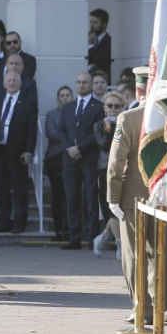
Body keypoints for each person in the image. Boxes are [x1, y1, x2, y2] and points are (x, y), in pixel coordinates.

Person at [106, 67, 166, 324]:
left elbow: (116, 163)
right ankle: (160, 305)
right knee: (159, 252)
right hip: (162, 193)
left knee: (133, 253)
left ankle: (141, 306)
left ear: (138, 89)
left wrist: (112, 195)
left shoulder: (127, 118)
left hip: (133, 196)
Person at [58, 71, 104, 250]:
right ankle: (74, 238)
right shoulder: (69, 107)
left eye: (85, 82)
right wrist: (70, 148)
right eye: (78, 82)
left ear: (91, 84)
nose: (81, 85)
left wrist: (80, 148)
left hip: (88, 158)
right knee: (71, 198)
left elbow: (97, 132)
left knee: (91, 198)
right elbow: (61, 131)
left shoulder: (98, 107)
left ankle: (92, 236)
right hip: (70, 159)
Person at [0, 71, 38, 234]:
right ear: (3, 83)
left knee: (19, 190)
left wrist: (29, 151)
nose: (11, 83)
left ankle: (19, 223)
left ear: (20, 83)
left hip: (17, 152)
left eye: (14, 81)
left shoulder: (28, 102)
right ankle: (4, 222)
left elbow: (32, 130)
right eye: (8, 80)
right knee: (0, 189)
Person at [92, 91, 123, 256]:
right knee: (110, 208)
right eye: (109, 106)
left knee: (119, 208)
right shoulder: (99, 125)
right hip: (105, 168)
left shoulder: (125, 122)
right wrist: (109, 129)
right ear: (104, 108)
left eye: (116, 106)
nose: (113, 109)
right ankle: (119, 245)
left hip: (123, 167)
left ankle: (103, 237)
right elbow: (104, 145)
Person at [45, 85, 73, 242]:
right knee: (57, 196)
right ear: (57, 98)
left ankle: (70, 230)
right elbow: (51, 133)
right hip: (55, 159)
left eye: (67, 95)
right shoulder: (51, 114)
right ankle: (58, 230)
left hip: (71, 158)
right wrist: (68, 139)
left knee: (71, 195)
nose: (65, 98)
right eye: (62, 95)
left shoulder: (75, 112)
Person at [88, 8, 111, 76]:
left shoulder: (108, 41)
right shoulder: (86, 38)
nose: (91, 26)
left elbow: (101, 61)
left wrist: (91, 45)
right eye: (91, 22)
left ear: (104, 24)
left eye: (95, 23)